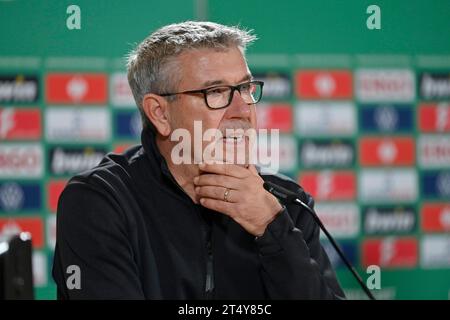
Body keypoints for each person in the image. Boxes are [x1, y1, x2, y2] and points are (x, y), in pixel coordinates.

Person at [52, 21, 345, 299]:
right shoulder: (99, 201)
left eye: (244, 88)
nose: (242, 110)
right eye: (215, 92)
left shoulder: (286, 203)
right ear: (160, 114)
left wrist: (273, 228)